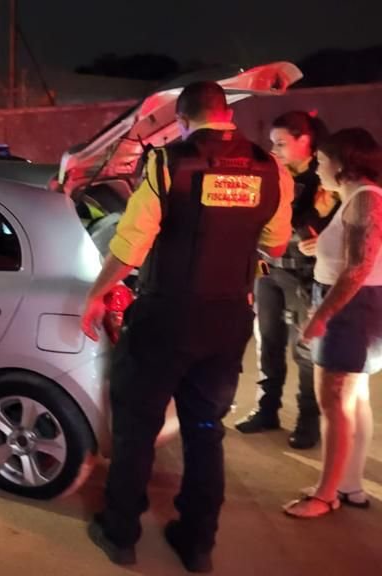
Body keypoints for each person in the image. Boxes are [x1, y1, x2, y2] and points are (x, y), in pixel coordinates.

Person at [80, 82, 292, 573]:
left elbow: (131, 244)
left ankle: (120, 534)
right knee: (204, 429)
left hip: (165, 318)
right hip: (227, 320)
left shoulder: (166, 163)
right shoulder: (269, 166)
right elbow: (276, 245)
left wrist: (96, 295)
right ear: (225, 115)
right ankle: (197, 544)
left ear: (182, 118)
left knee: (137, 426)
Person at [283, 128, 382, 517]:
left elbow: (358, 269)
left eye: (322, 161)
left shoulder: (364, 200)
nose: (318, 169)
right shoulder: (359, 198)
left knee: (334, 401)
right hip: (358, 305)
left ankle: (325, 496)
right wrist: (319, 249)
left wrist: (320, 317)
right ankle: (349, 484)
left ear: (341, 163)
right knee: (353, 398)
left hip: (351, 309)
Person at [236, 111, 339, 449]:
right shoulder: (270, 171)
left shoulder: (325, 176)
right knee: (267, 341)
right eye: (273, 143)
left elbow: (330, 226)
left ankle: (308, 420)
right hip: (268, 269)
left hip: (306, 275)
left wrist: (317, 233)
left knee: (305, 348)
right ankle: (266, 410)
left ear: (305, 142)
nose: (274, 149)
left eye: (281, 143)